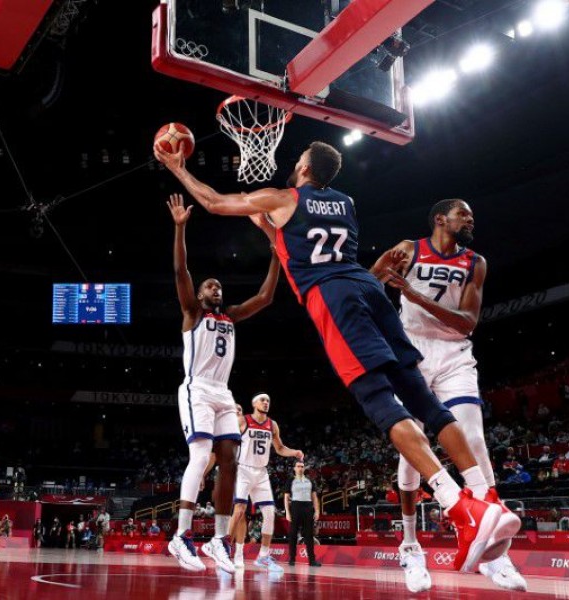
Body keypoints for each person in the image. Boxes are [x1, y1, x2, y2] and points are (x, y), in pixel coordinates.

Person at [154, 140, 519, 575]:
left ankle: (459, 508)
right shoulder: (345, 202)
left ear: (305, 167)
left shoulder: (284, 197)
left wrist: (178, 168)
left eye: (298, 160)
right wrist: (266, 228)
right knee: (424, 401)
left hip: (336, 299)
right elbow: (296, 244)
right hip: (368, 290)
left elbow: (214, 202)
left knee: (382, 403)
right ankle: (487, 500)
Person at [369, 199, 525, 591]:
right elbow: (371, 286)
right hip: (412, 353)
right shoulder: (412, 247)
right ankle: (410, 546)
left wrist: (414, 295)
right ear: (441, 219)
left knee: (473, 439)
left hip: (455, 354)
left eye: (471, 215)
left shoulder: (476, 262)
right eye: (463, 214)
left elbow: (468, 323)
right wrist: (384, 270)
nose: (470, 219)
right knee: (411, 453)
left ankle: (493, 552)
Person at [164, 193, 280, 574]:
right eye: (210, 287)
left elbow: (264, 297)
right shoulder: (192, 312)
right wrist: (180, 228)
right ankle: (181, 537)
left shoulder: (230, 315)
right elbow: (181, 272)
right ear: (199, 294)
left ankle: (217, 540)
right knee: (201, 457)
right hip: (196, 389)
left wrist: (278, 252)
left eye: (219, 287)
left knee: (228, 461)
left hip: (223, 394)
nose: (217, 290)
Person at [229, 393, 304, 573]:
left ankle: (263, 556)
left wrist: (294, 452)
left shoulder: (272, 425)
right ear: (254, 403)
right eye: (262, 400)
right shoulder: (243, 420)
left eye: (268, 400)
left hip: (261, 472)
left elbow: (279, 448)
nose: (266, 403)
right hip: (244, 469)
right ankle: (224, 547)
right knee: (239, 509)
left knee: (270, 513)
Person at [284, 462, 321, 567]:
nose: (300, 468)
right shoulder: (291, 480)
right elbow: (286, 497)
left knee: (309, 535)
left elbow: (314, 497)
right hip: (295, 507)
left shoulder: (310, 481)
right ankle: (292, 559)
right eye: (298, 466)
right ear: (295, 468)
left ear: (304, 469)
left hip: (308, 507)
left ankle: (312, 560)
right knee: (293, 534)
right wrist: (287, 512)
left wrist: (317, 511)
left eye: (302, 466)